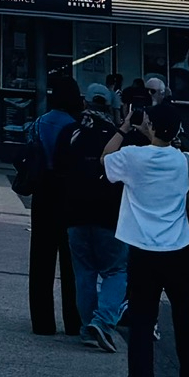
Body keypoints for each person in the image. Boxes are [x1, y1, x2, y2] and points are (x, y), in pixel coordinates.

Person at [104, 96, 189, 377]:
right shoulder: (185, 160)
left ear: (148, 125)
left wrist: (123, 128)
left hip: (143, 250)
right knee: (185, 321)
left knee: (142, 323)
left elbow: (105, 161)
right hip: (179, 250)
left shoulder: (133, 157)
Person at [58, 81, 126, 351]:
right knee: (116, 269)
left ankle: (87, 327)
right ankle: (104, 319)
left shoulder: (70, 132)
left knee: (83, 272)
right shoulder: (115, 135)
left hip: (75, 212)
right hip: (109, 214)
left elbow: (59, 169)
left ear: (85, 103)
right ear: (109, 106)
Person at [25, 74, 82, 336]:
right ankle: (73, 320)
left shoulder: (39, 123)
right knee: (70, 262)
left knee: (41, 259)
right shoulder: (76, 126)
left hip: (42, 193)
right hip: (69, 195)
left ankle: (42, 321)